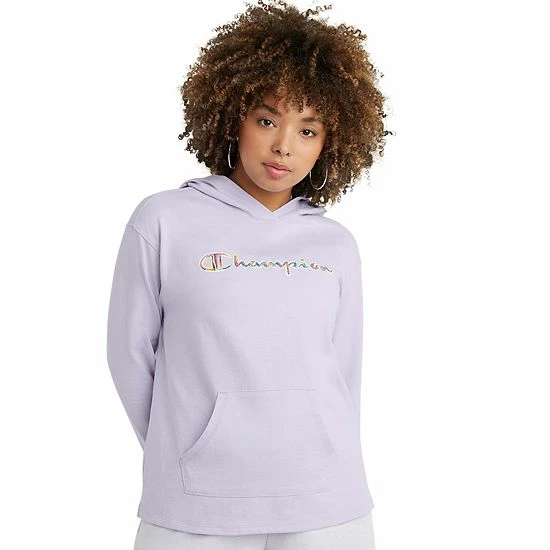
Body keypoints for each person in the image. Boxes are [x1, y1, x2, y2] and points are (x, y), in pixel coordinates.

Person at [106, 0, 390, 548]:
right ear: (232, 116)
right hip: (195, 503)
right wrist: (187, 449)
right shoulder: (164, 219)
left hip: (327, 502)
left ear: (331, 143)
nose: (284, 145)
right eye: (267, 120)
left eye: (308, 130)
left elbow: (344, 374)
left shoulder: (334, 244)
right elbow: (129, 354)